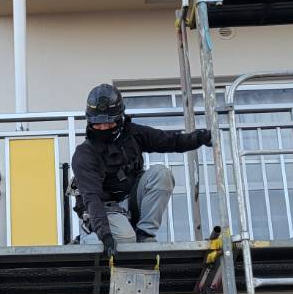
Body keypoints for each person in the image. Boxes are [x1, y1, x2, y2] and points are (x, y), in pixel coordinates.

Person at [72, 83, 212, 254]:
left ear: (119, 118)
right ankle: (88, 237)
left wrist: (201, 137)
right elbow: (92, 198)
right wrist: (105, 235)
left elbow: (169, 140)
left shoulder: (133, 134)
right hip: (104, 209)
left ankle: (144, 234)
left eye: (109, 123)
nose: (103, 128)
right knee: (125, 240)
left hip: (131, 202)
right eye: (98, 124)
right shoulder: (85, 154)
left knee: (161, 174)